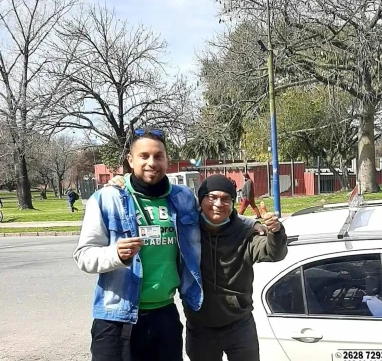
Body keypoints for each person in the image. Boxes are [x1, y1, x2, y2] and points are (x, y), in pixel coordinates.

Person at [73, 128, 203, 361]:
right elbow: (84, 256)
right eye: (144, 156)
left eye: (158, 156)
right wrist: (116, 255)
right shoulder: (107, 199)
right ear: (130, 160)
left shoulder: (183, 198)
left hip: (165, 316)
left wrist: (252, 225)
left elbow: (215, 218)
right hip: (116, 319)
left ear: (167, 160)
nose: (152, 162)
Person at [185, 174, 288, 361]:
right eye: (212, 197)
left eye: (226, 199)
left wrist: (276, 232)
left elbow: (273, 253)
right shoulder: (187, 229)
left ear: (233, 203)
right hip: (200, 326)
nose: (218, 204)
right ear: (201, 200)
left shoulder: (244, 233)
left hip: (239, 324)